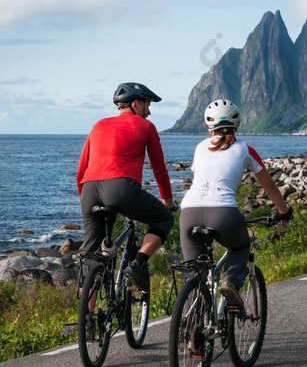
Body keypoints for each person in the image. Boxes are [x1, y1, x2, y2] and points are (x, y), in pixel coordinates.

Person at [179, 99, 292, 307]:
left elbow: (201, 177)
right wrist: (284, 211)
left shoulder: (200, 147)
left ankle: (189, 333)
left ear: (207, 126)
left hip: (188, 212)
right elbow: (269, 186)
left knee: (196, 274)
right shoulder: (245, 149)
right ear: (237, 125)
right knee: (241, 246)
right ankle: (230, 282)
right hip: (223, 213)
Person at [77, 82, 176, 292]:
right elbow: (159, 169)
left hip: (89, 190)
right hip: (121, 188)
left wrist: (86, 201)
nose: (149, 112)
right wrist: (168, 203)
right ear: (136, 104)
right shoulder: (146, 126)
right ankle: (137, 264)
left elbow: (81, 168)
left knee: (92, 257)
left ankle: (88, 320)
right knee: (164, 218)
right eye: (147, 106)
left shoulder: (98, 125)